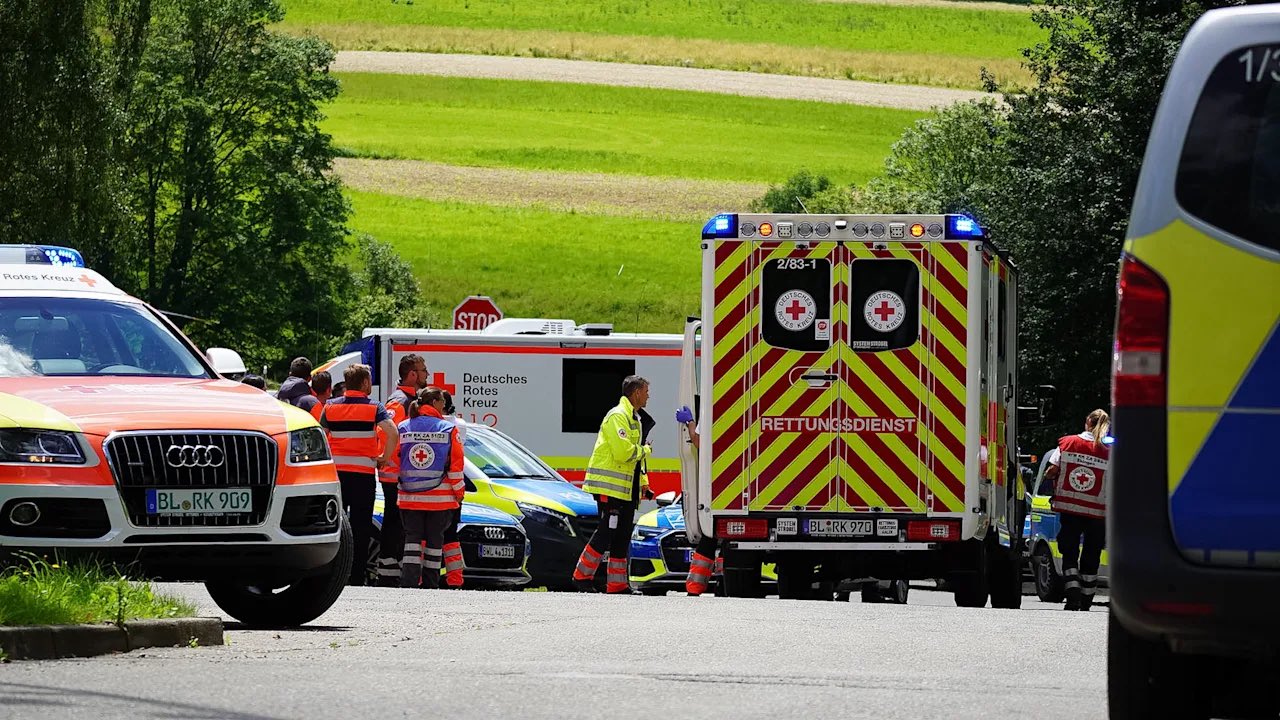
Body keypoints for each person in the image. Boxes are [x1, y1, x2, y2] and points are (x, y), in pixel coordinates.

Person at [572, 375, 652, 594]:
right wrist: (645, 450)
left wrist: (643, 483)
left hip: (625, 490)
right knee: (607, 531)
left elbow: (635, 462)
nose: (648, 396)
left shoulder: (634, 418)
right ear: (636, 393)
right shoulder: (617, 416)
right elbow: (623, 452)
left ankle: (617, 584)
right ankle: (581, 576)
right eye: (646, 392)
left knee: (622, 534)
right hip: (609, 488)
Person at [319, 364, 398, 586]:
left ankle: (334, 573)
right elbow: (392, 432)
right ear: (364, 382)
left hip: (337, 476)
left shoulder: (330, 406)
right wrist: (384, 456)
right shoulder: (374, 407)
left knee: (335, 524)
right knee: (361, 526)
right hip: (363, 476)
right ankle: (356, 576)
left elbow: (320, 436)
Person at [396, 386, 466, 589]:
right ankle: (430, 586)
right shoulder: (448, 429)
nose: (444, 406)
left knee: (412, 542)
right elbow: (456, 466)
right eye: (442, 402)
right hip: (439, 500)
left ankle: (409, 583)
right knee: (435, 544)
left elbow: (395, 461)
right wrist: (459, 493)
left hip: (409, 498)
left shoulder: (403, 427)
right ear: (435, 403)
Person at [1043, 408, 1111, 611]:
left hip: (1070, 509)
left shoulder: (1068, 443)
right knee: (1092, 553)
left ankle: (1073, 596)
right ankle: (1087, 600)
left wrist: (1049, 476)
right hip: (1098, 513)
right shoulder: (1110, 451)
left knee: (1069, 551)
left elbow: (1052, 470)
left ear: (1087, 422)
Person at [374, 354, 430, 587]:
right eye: (423, 370)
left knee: (401, 524)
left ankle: (393, 568)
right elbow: (386, 432)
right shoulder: (400, 400)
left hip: (402, 473)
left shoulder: (411, 399)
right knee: (394, 523)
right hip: (395, 474)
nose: (427, 374)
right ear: (412, 374)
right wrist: (395, 459)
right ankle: (387, 571)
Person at [674, 405, 722, 596]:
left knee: (711, 535)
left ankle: (695, 586)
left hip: (718, 482)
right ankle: (723, 584)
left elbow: (699, 441)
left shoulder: (713, 405)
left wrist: (690, 422)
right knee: (730, 538)